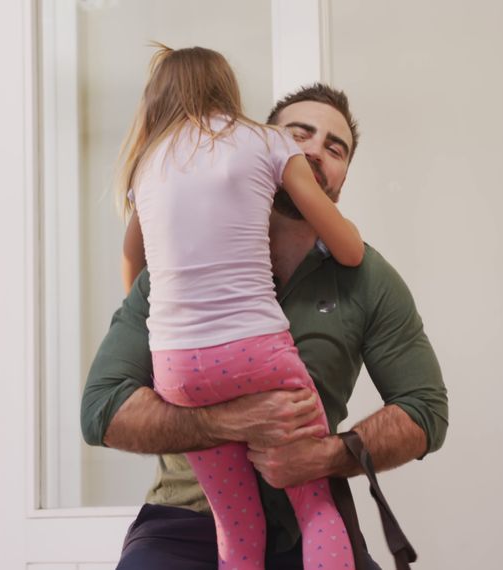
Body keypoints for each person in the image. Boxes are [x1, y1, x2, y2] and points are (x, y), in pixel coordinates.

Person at [82, 82, 449, 570]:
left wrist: (327, 456)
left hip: (307, 522)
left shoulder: (369, 280)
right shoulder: (176, 265)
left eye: (334, 148)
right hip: (186, 524)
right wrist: (220, 423)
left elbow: (425, 411)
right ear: (258, 147)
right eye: (298, 134)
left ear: (343, 177)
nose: (314, 150)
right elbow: (102, 409)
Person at [115, 45, 364, 570]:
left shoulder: (147, 163)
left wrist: (162, 322)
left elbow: (131, 264)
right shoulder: (263, 141)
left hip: (180, 369)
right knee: (314, 509)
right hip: (258, 356)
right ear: (226, 86)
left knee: (234, 522)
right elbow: (349, 251)